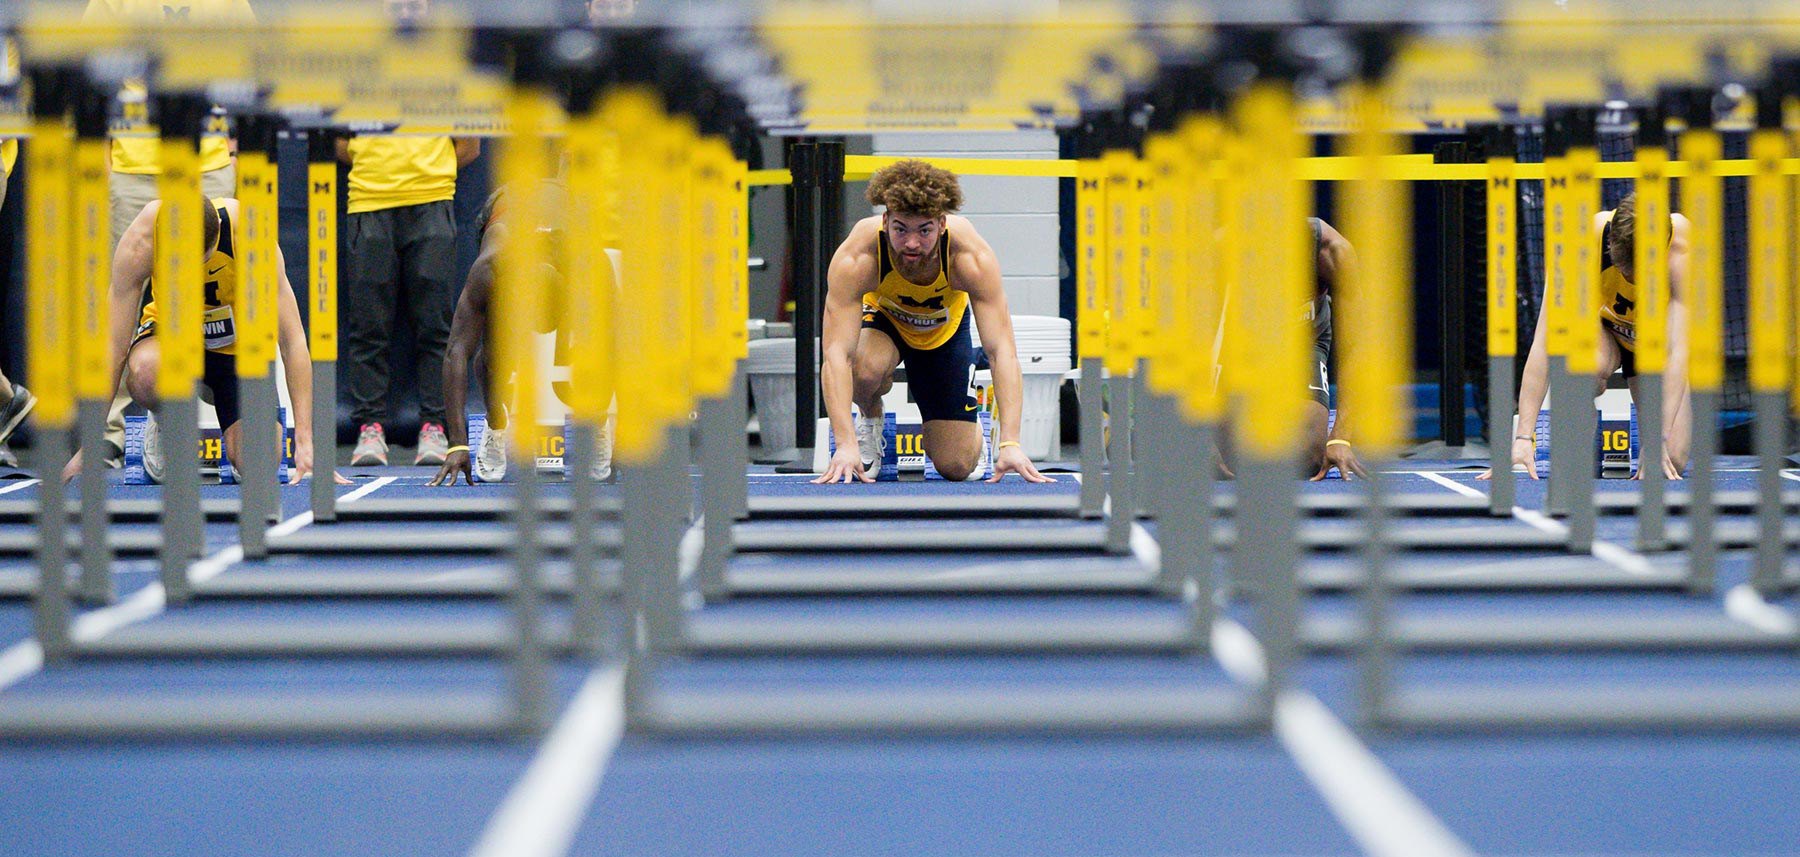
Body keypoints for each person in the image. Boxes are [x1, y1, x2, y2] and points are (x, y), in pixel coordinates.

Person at [60, 198, 345, 485]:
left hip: (237, 350)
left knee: (259, 463)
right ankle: (163, 421)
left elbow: (292, 339)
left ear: (219, 230)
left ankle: (239, 439)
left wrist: (306, 440)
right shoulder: (142, 239)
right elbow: (113, 345)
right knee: (146, 371)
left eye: (202, 259)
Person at [814, 159, 1053, 485]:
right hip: (885, 320)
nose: (912, 243)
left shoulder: (969, 258)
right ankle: (870, 419)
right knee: (863, 368)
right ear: (884, 221)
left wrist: (1010, 442)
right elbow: (835, 354)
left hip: (943, 333)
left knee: (955, 466)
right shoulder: (859, 256)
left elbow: (1001, 351)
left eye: (924, 230)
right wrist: (844, 443)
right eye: (900, 229)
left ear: (942, 224)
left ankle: (975, 441)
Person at [340, 0, 482, 467]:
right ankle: (369, 429)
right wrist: (380, 168)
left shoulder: (450, 59)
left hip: (432, 202)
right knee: (368, 326)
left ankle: (435, 428)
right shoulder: (355, 58)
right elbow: (339, 142)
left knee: (437, 324)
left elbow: (469, 145)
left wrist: (428, 172)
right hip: (369, 201)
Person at [1481, 192, 1691, 481]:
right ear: (1611, 245)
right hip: (1602, 331)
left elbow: (1678, 352)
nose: (1632, 279)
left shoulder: (1684, 250)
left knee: (1674, 461)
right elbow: (1545, 340)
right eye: (1625, 270)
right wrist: (1522, 438)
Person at [428, 180, 613, 486]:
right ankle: (495, 422)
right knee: (496, 359)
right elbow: (456, 351)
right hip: (505, 208)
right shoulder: (491, 269)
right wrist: (458, 443)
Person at [1215, 217, 1367, 480]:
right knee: (1231, 455)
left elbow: (1357, 345)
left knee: (1306, 458)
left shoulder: (1332, 251)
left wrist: (1340, 438)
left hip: (1304, 341)